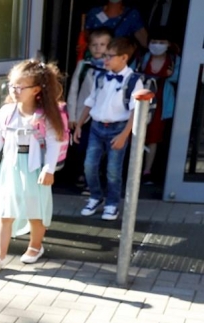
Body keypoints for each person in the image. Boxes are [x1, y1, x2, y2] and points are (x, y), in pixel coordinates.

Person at [0, 60, 66, 269]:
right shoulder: (6, 112)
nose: (14, 90)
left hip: (34, 168)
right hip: (11, 167)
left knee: (36, 211)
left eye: (20, 87)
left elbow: (54, 142)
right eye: (12, 85)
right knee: (5, 211)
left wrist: (48, 169)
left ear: (35, 90)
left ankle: (35, 246)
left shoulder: (45, 116)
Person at [74, 37, 143, 221]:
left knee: (113, 169)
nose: (106, 60)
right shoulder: (101, 76)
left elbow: (135, 112)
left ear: (124, 58)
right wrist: (80, 124)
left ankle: (112, 203)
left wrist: (124, 135)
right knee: (89, 165)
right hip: (97, 127)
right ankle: (96, 196)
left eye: (110, 56)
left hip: (118, 128)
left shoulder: (134, 80)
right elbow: (91, 101)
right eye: (105, 56)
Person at [68, 28, 113, 188]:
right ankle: (82, 173)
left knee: (99, 149)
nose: (98, 48)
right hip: (83, 116)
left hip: (103, 116)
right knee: (82, 146)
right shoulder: (83, 65)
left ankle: (93, 179)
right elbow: (74, 90)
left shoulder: (113, 67)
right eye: (94, 44)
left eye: (102, 44)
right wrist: (72, 116)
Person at [139, 27, 181, 183]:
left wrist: (170, 76)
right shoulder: (144, 58)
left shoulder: (175, 60)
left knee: (154, 137)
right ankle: (132, 167)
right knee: (136, 134)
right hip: (142, 101)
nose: (157, 45)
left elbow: (181, 78)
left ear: (168, 44)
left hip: (161, 104)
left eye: (161, 42)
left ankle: (147, 171)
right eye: (154, 42)